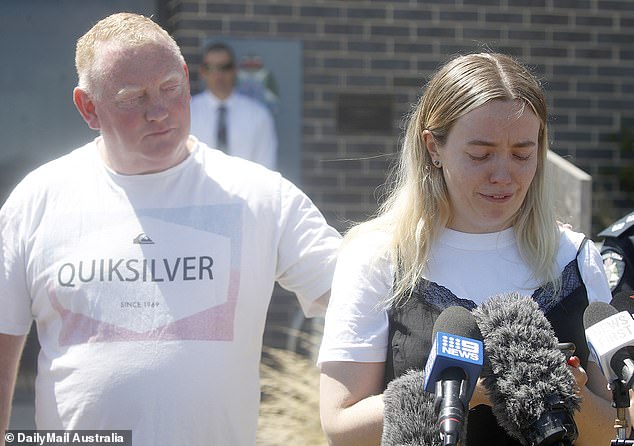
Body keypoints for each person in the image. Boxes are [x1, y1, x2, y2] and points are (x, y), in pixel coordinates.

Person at [0, 12, 340, 446]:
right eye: (132, 98)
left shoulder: (259, 195)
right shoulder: (37, 202)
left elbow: (356, 295)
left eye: (169, 89)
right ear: (89, 108)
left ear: (185, 77)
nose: (158, 112)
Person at [317, 52, 616, 446]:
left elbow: (615, 426)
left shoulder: (575, 257)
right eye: (480, 154)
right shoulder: (377, 256)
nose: (503, 174)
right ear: (433, 148)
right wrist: (458, 389)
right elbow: (340, 425)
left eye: (522, 154)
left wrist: (561, 390)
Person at [190, 42, 278, 170]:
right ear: (202, 72)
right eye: (210, 68)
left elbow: (266, 166)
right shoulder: (188, 112)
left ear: (235, 70)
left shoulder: (259, 115)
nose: (218, 74)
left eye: (225, 67)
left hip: (246, 188)